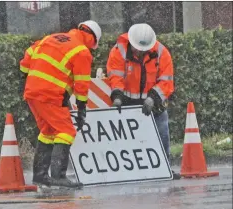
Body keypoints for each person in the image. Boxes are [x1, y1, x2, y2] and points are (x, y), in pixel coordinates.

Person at [19, 20, 102, 188]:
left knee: (48, 131)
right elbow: (81, 83)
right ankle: (59, 176)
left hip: (32, 92)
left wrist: (27, 76)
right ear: (92, 39)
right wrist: (82, 108)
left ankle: (40, 175)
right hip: (49, 95)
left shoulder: (51, 38)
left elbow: (28, 55)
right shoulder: (82, 51)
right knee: (66, 131)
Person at [106, 23, 181, 180]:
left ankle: (163, 168)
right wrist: (117, 96)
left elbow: (166, 82)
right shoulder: (118, 51)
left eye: (143, 50)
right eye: (137, 49)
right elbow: (115, 76)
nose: (139, 52)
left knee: (161, 134)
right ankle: (125, 172)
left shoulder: (161, 53)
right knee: (125, 140)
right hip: (126, 103)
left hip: (153, 103)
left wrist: (153, 98)